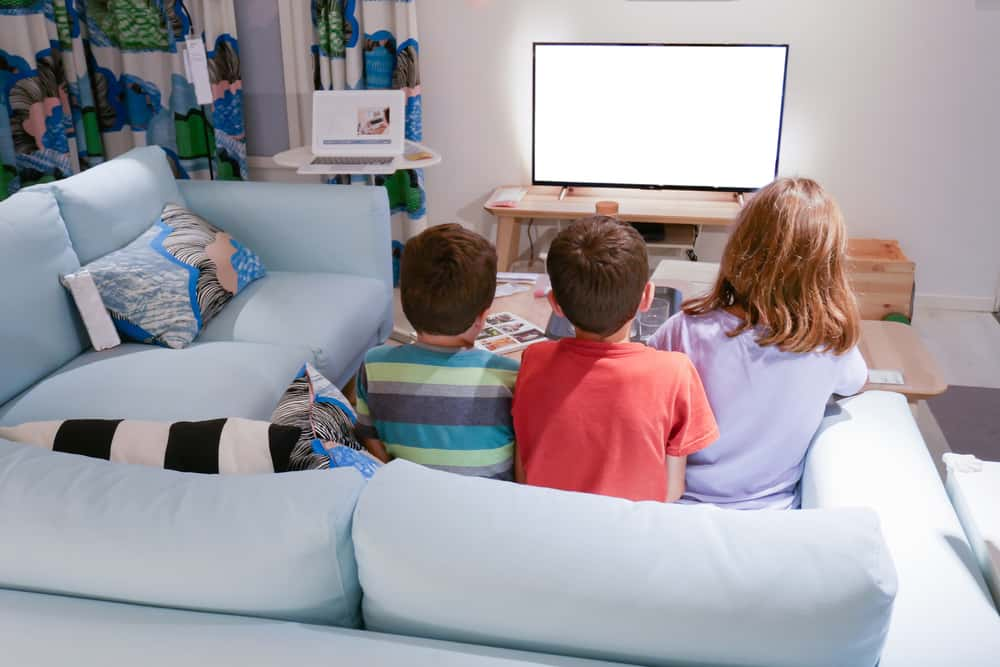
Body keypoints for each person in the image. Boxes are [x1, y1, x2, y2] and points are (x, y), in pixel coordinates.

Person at [647, 177, 868, 510]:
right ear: (827, 265)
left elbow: (639, 379)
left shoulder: (685, 330)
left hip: (680, 508)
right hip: (770, 517)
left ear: (740, 246)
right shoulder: (830, 344)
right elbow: (856, 383)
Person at [512, 216, 718, 502]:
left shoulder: (533, 360)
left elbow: (524, 473)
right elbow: (671, 491)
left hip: (548, 526)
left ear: (555, 304)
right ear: (647, 297)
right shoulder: (675, 373)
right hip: (631, 534)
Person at [355, 224, 518, 480]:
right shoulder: (509, 375)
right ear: (483, 317)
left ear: (404, 302)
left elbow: (369, 435)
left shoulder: (374, 365)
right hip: (490, 509)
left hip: (412, 498)